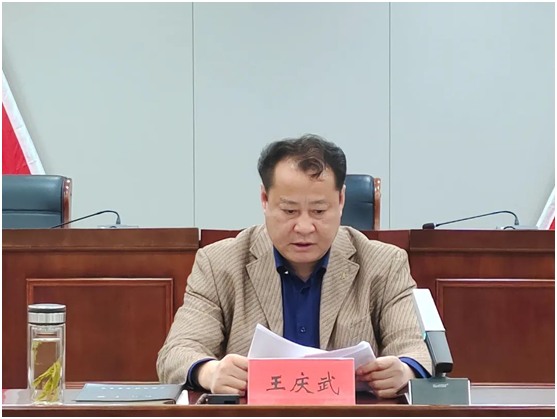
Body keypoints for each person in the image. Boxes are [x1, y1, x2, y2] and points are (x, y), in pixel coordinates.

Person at [157, 134, 431, 398]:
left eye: (319, 211)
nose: (304, 227)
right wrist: (209, 372)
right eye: (289, 211)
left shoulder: (384, 264)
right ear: (265, 200)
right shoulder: (219, 264)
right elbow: (176, 352)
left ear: (341, 201)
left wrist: (405, 370)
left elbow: (417, 349)